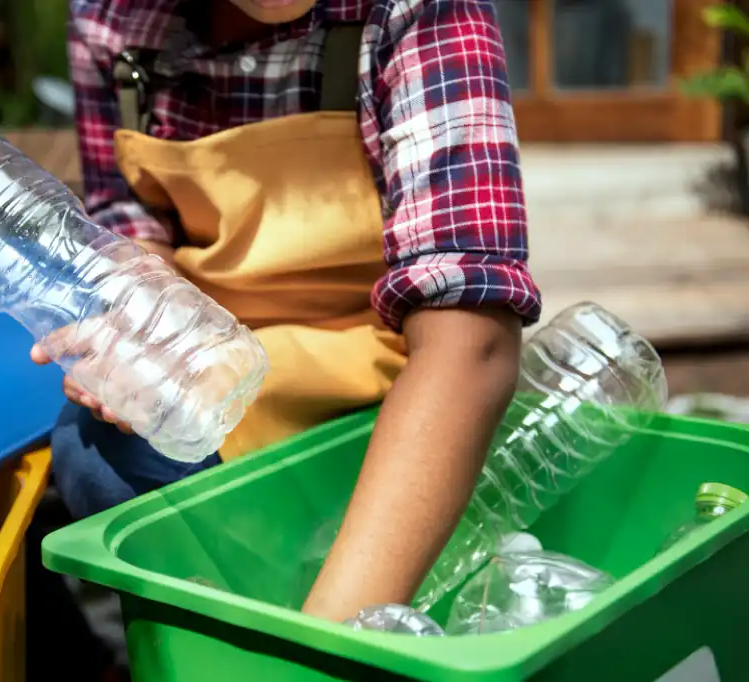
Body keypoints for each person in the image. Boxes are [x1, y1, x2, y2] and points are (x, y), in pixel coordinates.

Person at [31, 0, 542, 623]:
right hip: (225, 374)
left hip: (391, 382)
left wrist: (331, 641)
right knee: (93, 452)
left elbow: (473, 345)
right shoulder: (114, 21)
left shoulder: (419, 12)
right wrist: (140, 334)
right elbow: (132, 225)